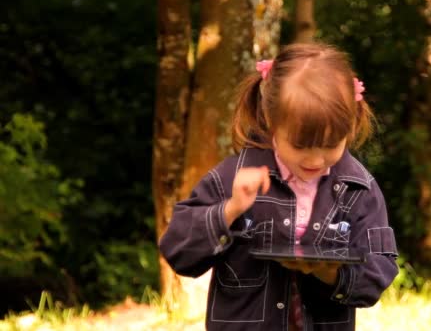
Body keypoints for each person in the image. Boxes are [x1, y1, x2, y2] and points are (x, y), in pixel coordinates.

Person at [159, 42, 398, 331]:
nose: (315, 159)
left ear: (350, 126)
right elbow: (177, 251)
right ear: (272, 121)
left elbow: (378, 275)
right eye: (300, 145)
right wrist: (231, 209)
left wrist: (330, 272)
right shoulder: (233, 178)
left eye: (330, 145)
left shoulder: (358, 189)